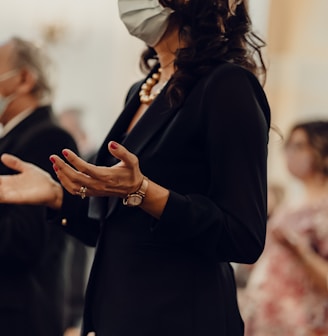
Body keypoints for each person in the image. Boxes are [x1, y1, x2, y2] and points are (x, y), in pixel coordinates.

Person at [0, 1, 270, 335]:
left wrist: (144, 192)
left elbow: (243, 237)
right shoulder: (142, 89)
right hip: (120, 314)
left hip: (179, 318)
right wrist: (58, 197)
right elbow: (119, 230)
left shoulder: (228, 85)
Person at [0, 37, 78, 335]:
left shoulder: (48, 138)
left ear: (23, 78)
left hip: (19, 316)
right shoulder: (13, 138)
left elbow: (23, 239)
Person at [242, 121, 328, 335]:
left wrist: (301, 253)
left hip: (303, 325)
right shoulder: (291, 205)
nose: (288, 153)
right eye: (288, 145)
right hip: (267, 319)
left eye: (299, 146)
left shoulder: (323, 208)